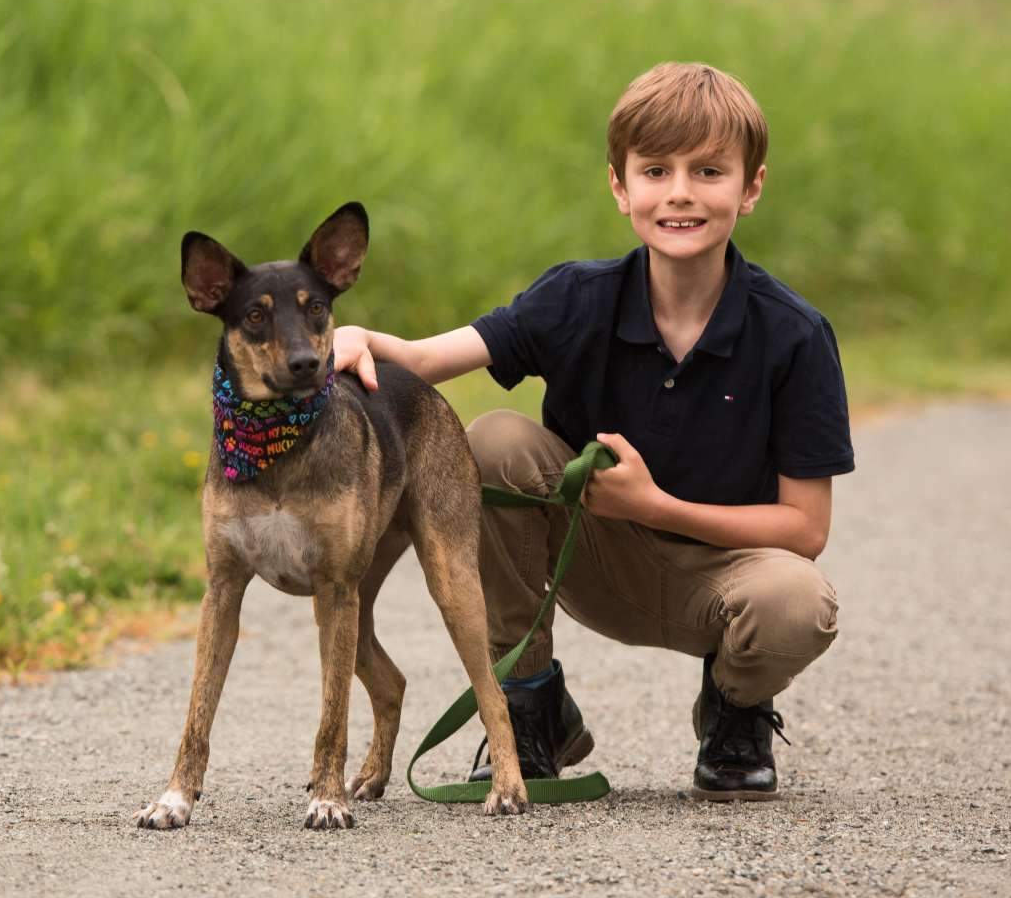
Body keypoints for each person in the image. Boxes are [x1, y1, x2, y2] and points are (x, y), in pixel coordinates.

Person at [333, 62, 852, 800]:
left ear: (752, 186)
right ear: (619, 186)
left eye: (709, 170)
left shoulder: (795, 335)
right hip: (593, 559)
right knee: (491, 442)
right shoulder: (577, 298)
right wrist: (353, 334)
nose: (680, 192)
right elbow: (424, 359)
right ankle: (532, 698)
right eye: (655, 170)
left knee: (799, 600)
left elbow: (805, 527)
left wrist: (653, 505)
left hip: (726, 574)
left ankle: (736, 709)